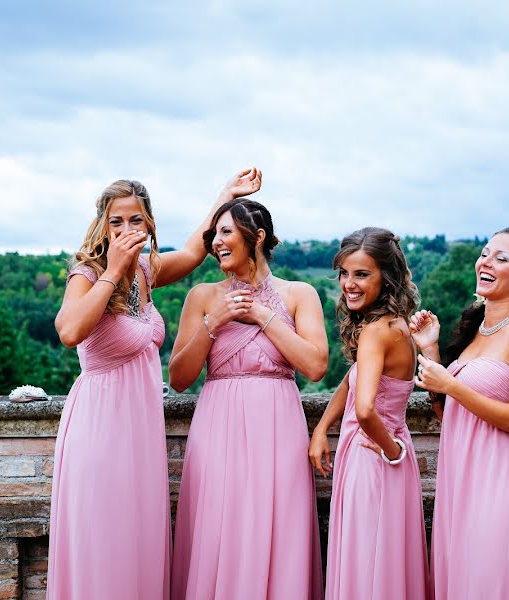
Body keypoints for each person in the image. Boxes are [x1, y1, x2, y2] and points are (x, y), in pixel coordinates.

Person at [47, 168, 262, 600]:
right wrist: (114, 268)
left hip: (141, 433)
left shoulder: (147, 271)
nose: (127, 230)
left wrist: (224, 196)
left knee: (140, 536)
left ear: (148, 224)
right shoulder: (87, 273)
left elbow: (193, 252)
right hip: (100, 429)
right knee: (105, 539)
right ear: (102, 225)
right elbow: (69, 331)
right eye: (117, 221)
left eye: (136, 220)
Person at [168, 198, 328, 600]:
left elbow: (315, 366)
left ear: (256, 237)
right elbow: (180, 379)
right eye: (214, 234)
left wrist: (262, 316)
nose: (216, 242)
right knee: (220, 527)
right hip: (218, 425)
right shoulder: (202, 296)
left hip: (278, 426)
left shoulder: (299, 294)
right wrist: (214, 321)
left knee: (278, 526)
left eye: (226, 232)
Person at [410, 223, 509, 600]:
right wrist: (430, 350)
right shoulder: (476, 330)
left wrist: (452, 385)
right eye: (485, 253)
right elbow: (452, 416)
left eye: (501, 258)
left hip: (503, 480)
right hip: (462, 479)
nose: (485, 262)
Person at [309, 227, 430, 600]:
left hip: (373, 458)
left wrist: (391, 451)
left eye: (362, 274)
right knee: (386, 558)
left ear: (387, 277)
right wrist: (322, 428)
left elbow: (364, 410)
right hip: (388, 455)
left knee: (366, 561)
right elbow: (352, 381)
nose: (349, 283)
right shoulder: (395, 326)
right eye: (344, 273)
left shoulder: (378, 331)